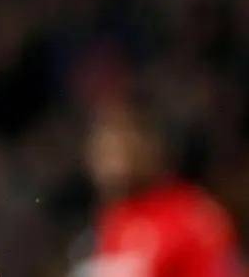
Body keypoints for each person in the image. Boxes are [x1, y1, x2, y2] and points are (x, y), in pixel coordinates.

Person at [77, 108, 241, 277]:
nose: (112, 165)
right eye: (104, 151)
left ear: (151, 149)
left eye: (121, 148)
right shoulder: (114, 218)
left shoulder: (193, 215)